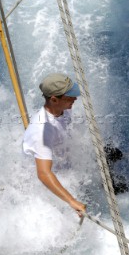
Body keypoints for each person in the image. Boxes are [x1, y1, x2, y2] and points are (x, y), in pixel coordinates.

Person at [23, 73, 86, 216]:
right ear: (54, 99)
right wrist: (71, 200)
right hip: (45, 185)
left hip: (65, 166)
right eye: (70, 96)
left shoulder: (63, 107)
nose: (75, 98)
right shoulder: (42, 130)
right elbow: (44, 174)